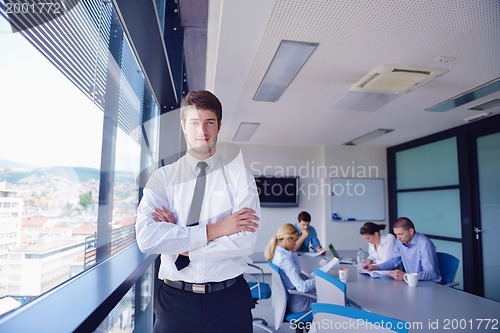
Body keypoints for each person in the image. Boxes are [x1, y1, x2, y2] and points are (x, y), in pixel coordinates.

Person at [135, 90, 261, 333]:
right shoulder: (162, 178)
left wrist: (175, 239)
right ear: (183, 125)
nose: (202, 131)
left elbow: (245, 243)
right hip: (176, 300)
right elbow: (147, 239)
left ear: (219, 126)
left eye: (209, 122)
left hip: (230, 300)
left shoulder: (239, 177)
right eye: (194, 123)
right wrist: (219, 229)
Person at [363, 217, 442, 282]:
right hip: (412, 282)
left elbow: (430, 273)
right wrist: (376, 267)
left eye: (400, 234)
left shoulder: (424, 243)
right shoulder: (400, 242)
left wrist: (405, 276)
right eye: (396, 234)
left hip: (430, 284)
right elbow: (393, 261)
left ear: (411, 231)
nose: (398, 238)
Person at [264, 223, 316, 313]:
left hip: (292, 299)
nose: (295, 243)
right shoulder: (285, 260)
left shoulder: (276, 251)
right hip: (299, 303)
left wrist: (293, 252)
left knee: (315, 286)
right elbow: (302, 287)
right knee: (328, 298)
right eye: (295, 240)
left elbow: (298, 271)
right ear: (288, 239)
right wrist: (318, 279)